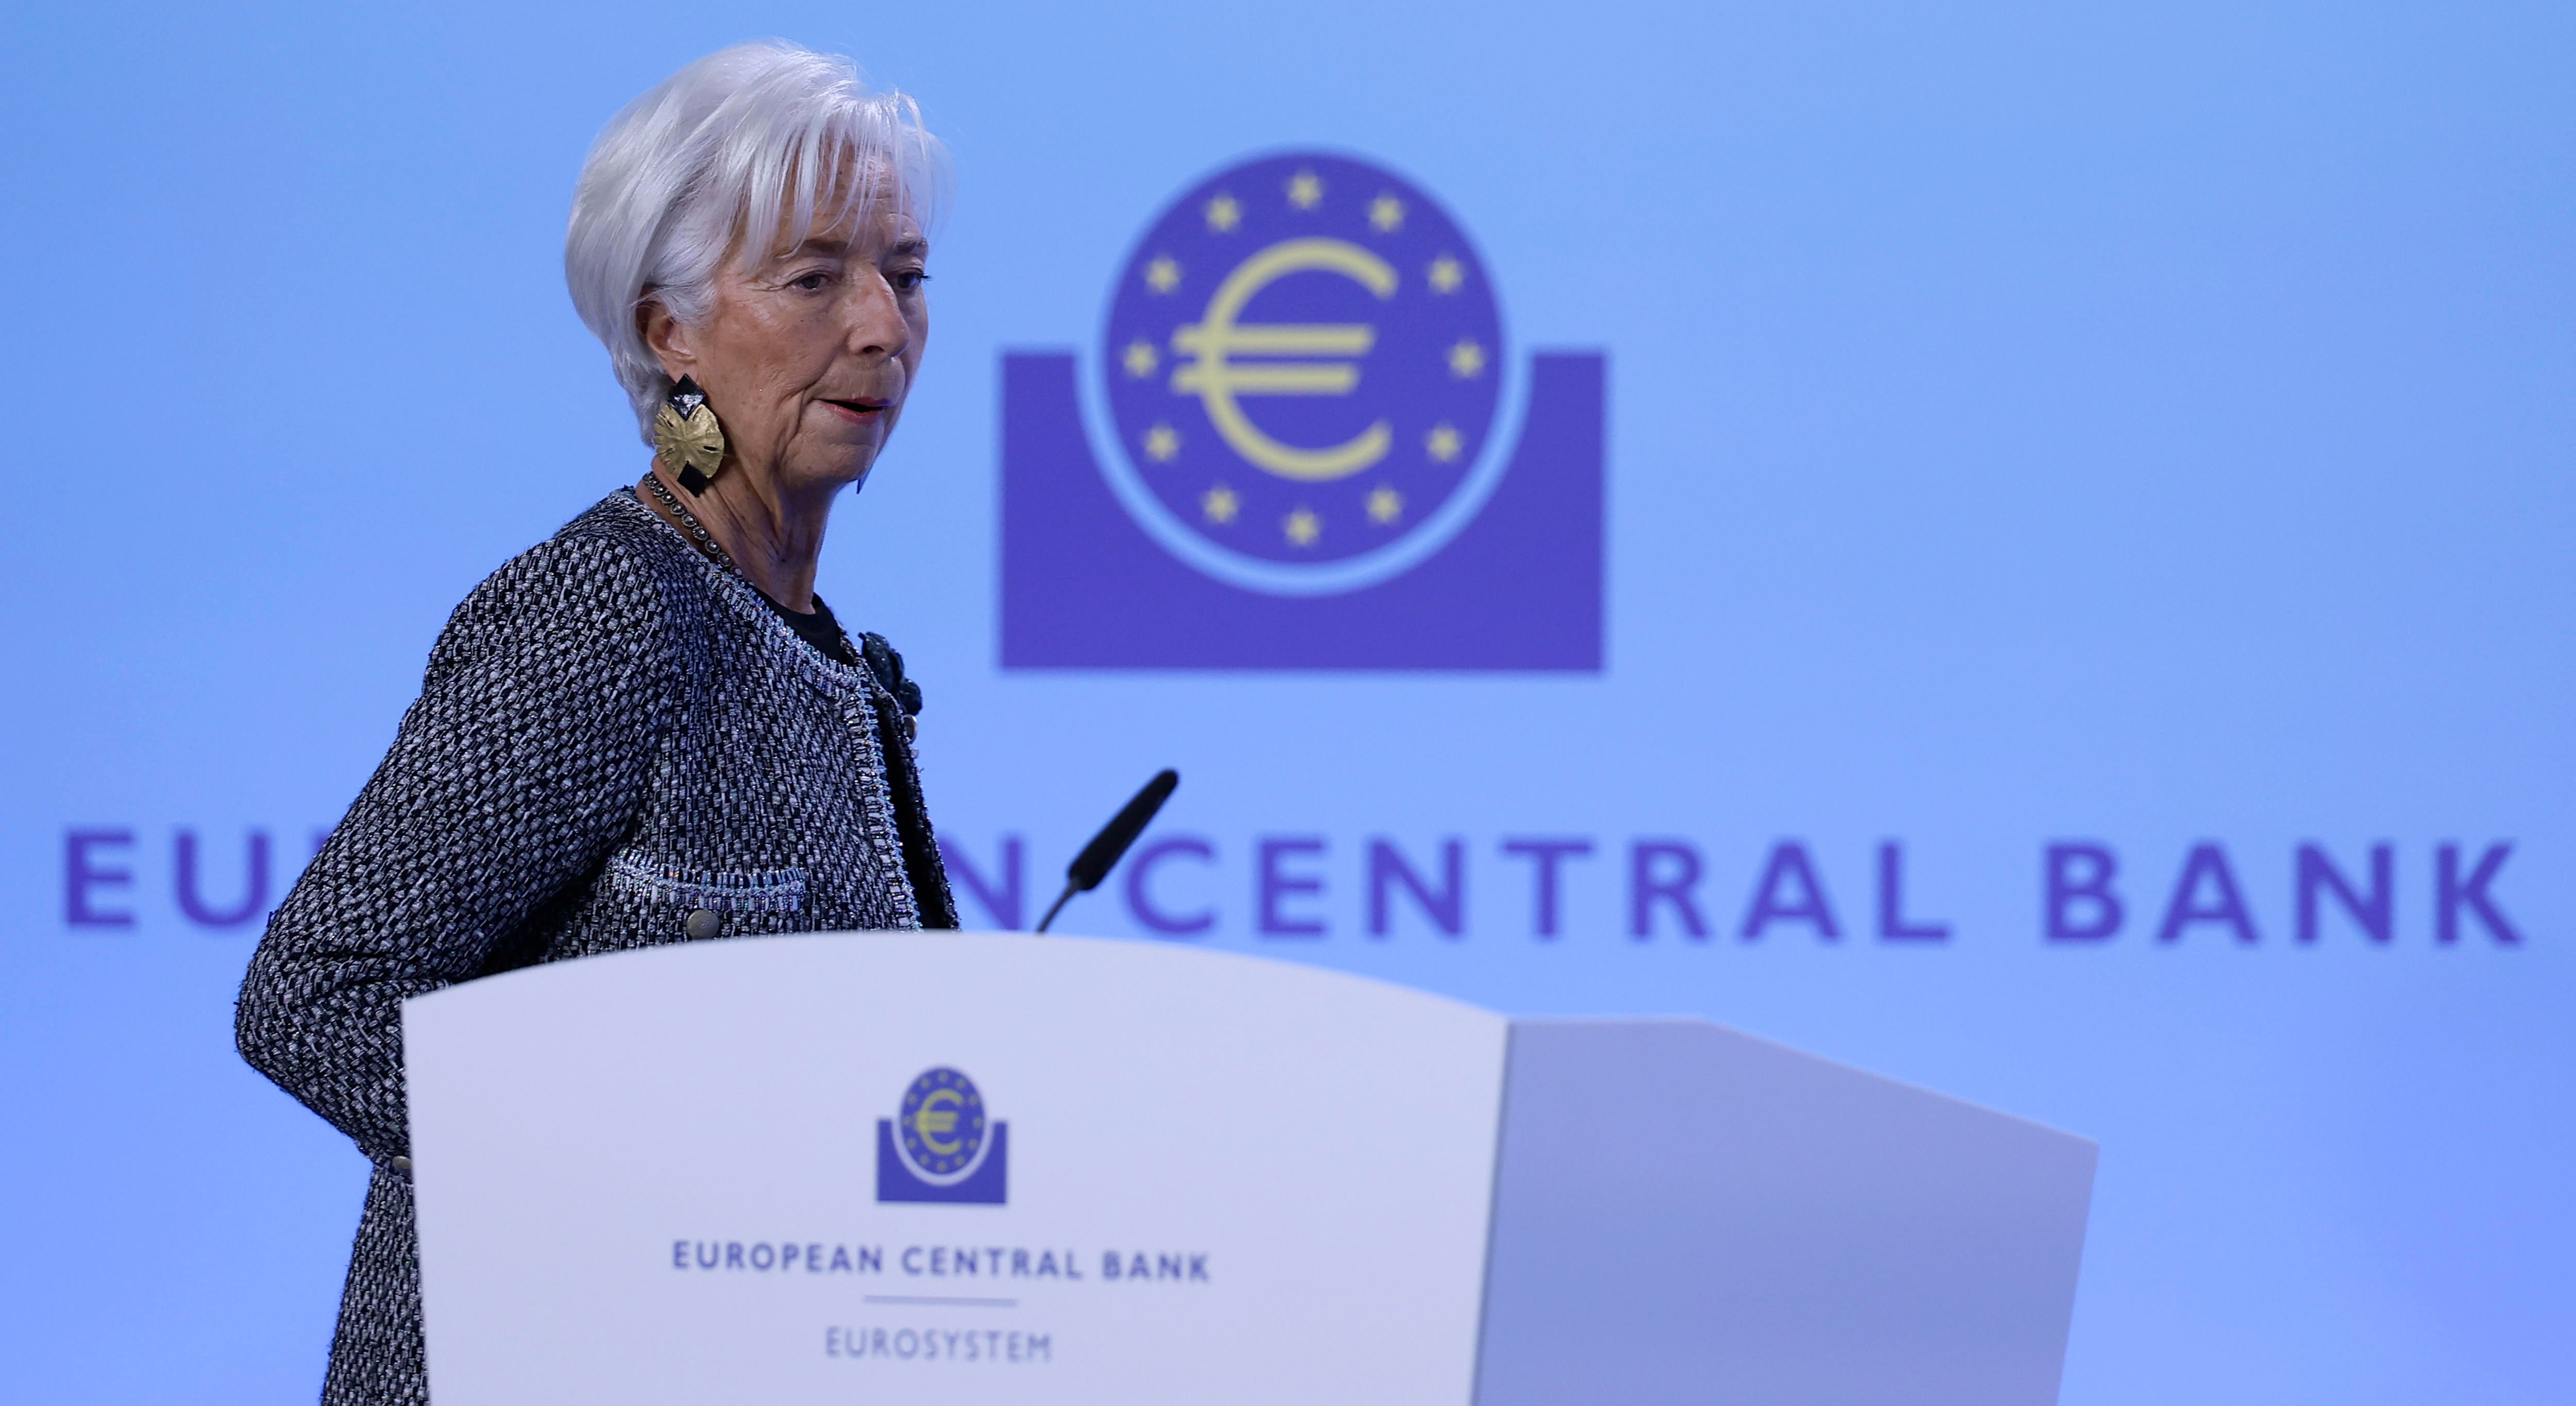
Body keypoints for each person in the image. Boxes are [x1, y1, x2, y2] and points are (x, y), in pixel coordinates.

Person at [234, 41, 956, 1404]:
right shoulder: (608, 609)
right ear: (666, 329)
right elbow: (314, 996)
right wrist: (655, 1190)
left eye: (906, 276)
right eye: (814, 278)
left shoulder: (829, 659)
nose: (881, 326)